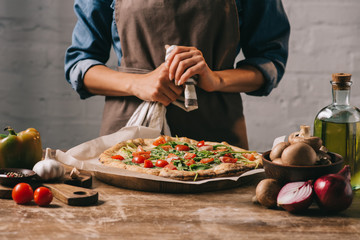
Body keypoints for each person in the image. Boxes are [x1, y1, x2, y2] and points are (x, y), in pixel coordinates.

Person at [65, 0, 290, 149]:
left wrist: (216, 79)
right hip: (129, 138)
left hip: (216, 137)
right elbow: (80, 65)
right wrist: (138, 83)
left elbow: (270, 61)